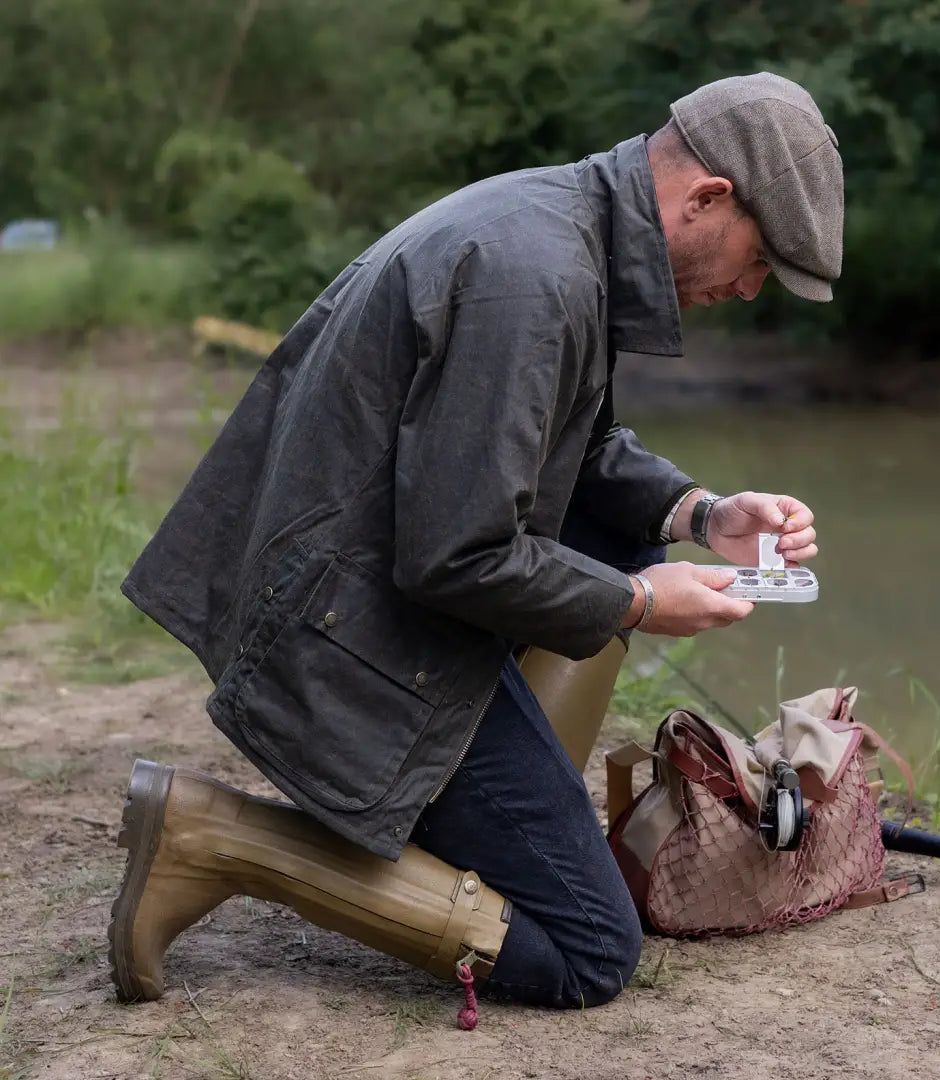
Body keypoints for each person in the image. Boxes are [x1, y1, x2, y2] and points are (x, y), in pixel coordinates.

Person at [109, 72, 841, 1011]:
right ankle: (213, 837)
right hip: (345, 632)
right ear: (707, 198)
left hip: (349, 580)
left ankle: (493, 785)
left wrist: (705, 512)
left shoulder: (560, 222)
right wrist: (644, 603)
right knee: (589, 949)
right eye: (761, 261)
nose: (751, 289)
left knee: (629, 536)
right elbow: (460, 554)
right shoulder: (534, 280)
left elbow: (573, 446)